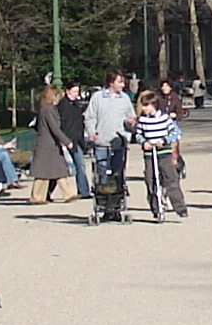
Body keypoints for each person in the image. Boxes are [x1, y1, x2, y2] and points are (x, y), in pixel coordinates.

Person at [86, 71, 136, 205]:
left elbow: (131, 117)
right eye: (119, 82)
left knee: (118, 174)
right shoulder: (97, 98)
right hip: (101, 142)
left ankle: (117, 204)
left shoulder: (124, 98)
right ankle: (103, 204)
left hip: (119, 143)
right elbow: (90, 117)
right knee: (101, 174)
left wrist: (130, 123)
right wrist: (92, 132)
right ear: (111, 83)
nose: (123, 85)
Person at [134, 88, 184, 221]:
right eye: (143, 106)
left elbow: (176, 133)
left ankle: (179, 207)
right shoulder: (143, 120)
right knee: (151, 180)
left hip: (164, 153)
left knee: (171, 179)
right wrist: (143, 142)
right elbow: (138, 134)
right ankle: (156, 208)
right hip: (150, 154)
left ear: (153, 105)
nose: (144, 109)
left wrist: (165, 140)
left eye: (146, 106)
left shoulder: (164, 118)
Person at [30, 84, 76, 205]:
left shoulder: (47, 109)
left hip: (51, 144)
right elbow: (54, 128)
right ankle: (37, 197)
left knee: (59, 169)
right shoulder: (47, 109)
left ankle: (69, 193)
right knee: (42, 173)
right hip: (46, 145)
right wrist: (67, 142)